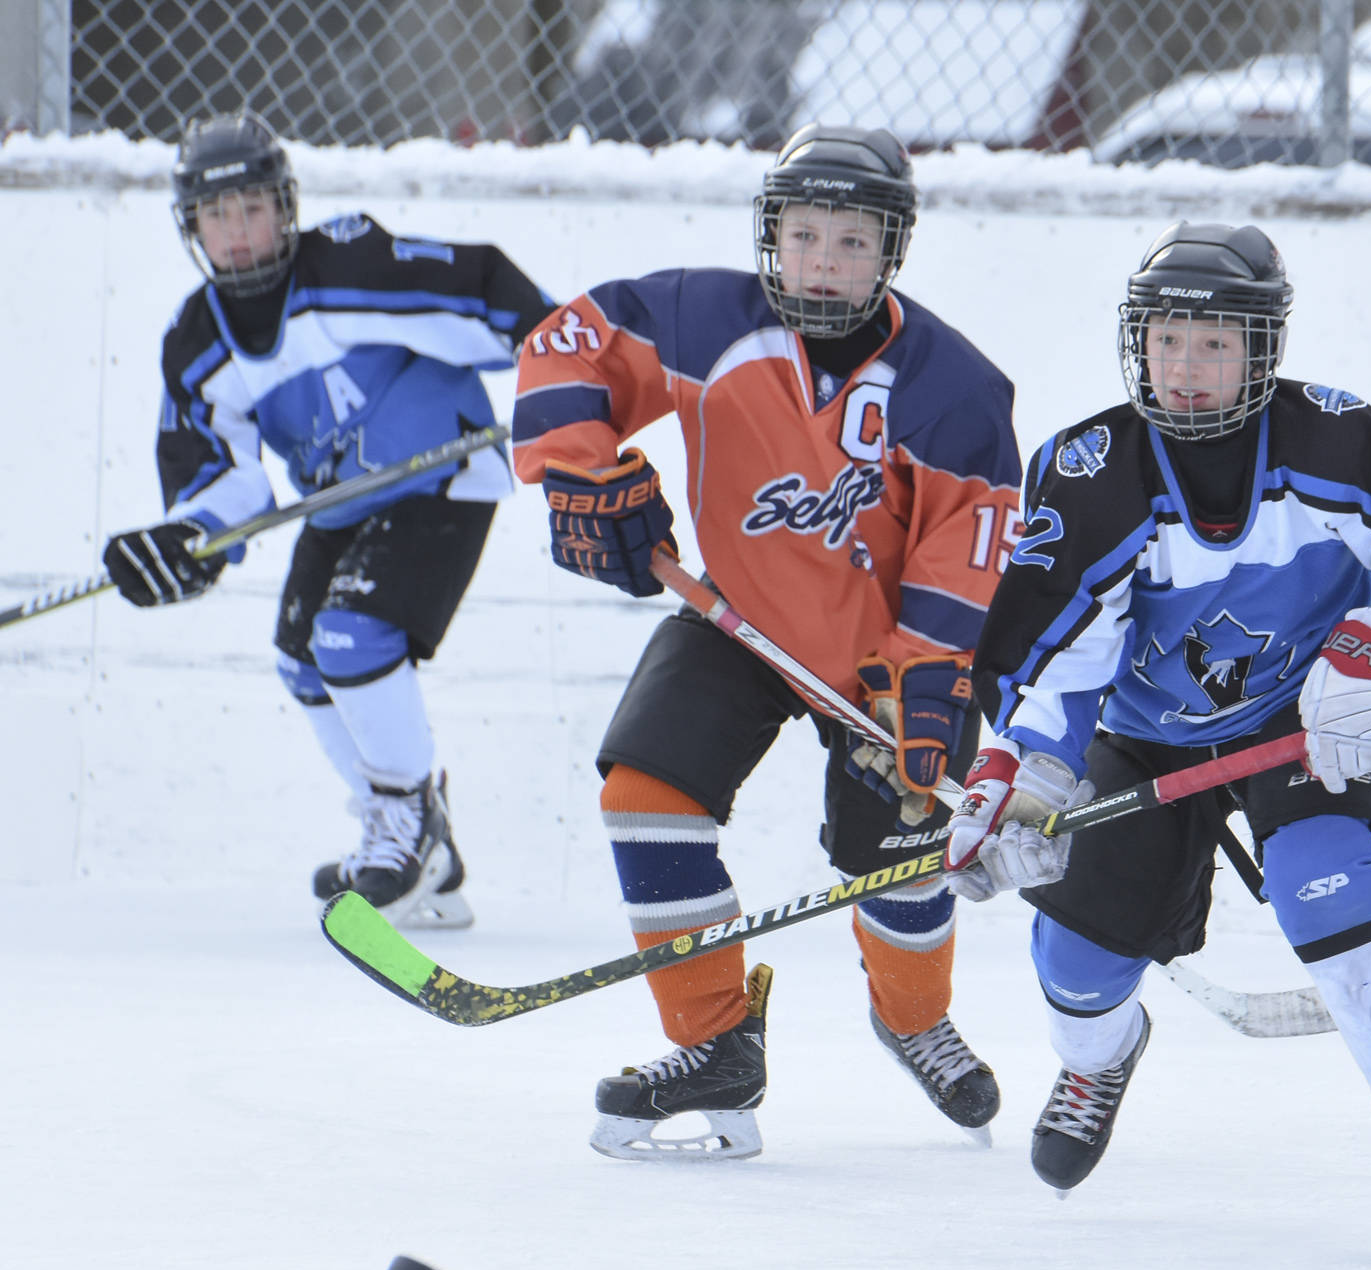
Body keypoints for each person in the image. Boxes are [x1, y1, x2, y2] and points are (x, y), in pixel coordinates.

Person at [942, 222, 1371, 1261]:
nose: (1186, 368)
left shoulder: (1345, 447)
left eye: (1214, 344)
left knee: (1330, 889)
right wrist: (1024, 782)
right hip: (1144, 739)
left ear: (1262, 349)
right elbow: (1050, 659)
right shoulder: (1088, 472)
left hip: (1310, 727)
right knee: (1079, 960)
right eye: (1167, 341)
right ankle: (1098, 1055)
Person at [510, 124, 1024, 1161]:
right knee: (645, 800)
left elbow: (969, 546)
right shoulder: (701, 319)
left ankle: (913, 1017)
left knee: (898, 857)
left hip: (888, 660)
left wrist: (922, 684)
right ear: (769, 239)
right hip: (732, 619)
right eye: (802, 237)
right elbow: (569, 345)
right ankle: (714, 1046)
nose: (822, 262)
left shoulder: (955, 389)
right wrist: (582, 467)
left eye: (849, 241)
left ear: (891, 252)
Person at [101, 112, 552, 930]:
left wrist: (571, 374)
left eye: (252, 208)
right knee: (301, 658)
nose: (238, 233)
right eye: (216, 216)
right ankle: (409, 828)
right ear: (190, 228)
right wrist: (186, 540)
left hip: (440, 474)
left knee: (351, 636)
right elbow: (222, 478)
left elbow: (485, 293)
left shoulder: (348, 265)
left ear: (287, 204)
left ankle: (407, 824)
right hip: (341, 501)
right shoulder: (198, 341)